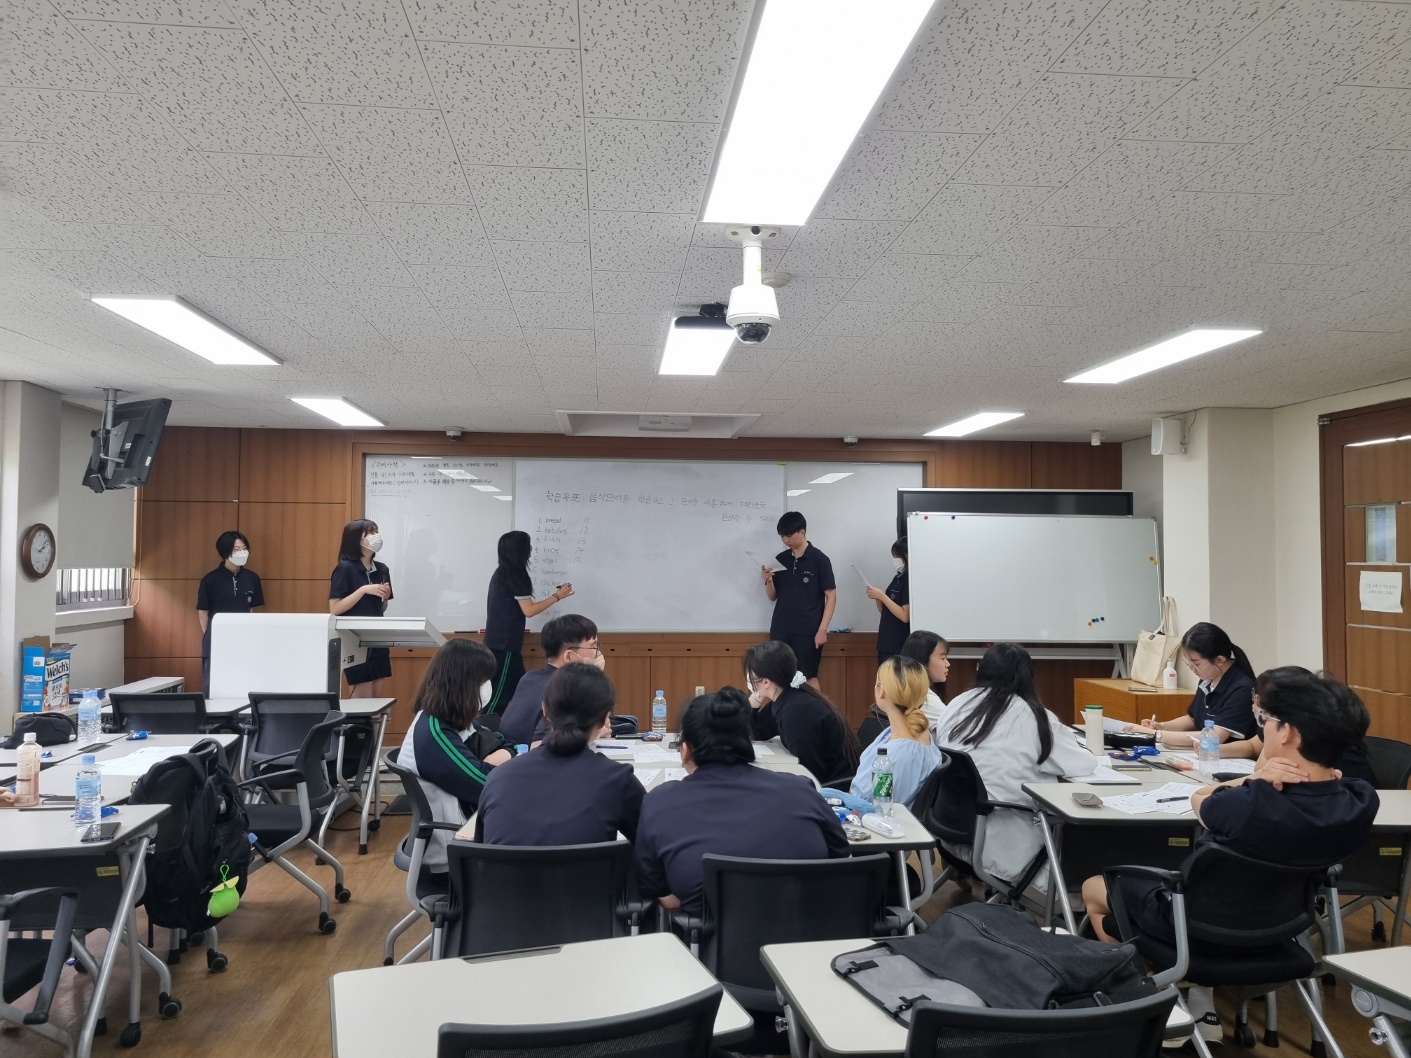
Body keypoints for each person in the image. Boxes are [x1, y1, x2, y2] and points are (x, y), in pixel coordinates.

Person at [1083, 670, 1380, 1041]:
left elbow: (1199, 799)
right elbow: (1336, 785)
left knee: (1094, 888)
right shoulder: (1359, 802)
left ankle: (1148, 999)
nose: (1263, 726)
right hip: (1281, 933)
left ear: (1287, 732)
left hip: (1196, 933)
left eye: (1267, 720)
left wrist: (1255, 778)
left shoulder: (1247, 803)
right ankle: (1185, 995)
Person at [634, 687, 850, 916]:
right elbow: (842, 857)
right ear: (748, 743)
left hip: (712, 936)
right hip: (812, 931)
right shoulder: (801, 789)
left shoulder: (659, 803)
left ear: (685, 750)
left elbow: (665, 897)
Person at [933, 643, 1095, 889]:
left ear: (981, 669)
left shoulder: (957, 704)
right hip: (1004, 839)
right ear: (1027, 677)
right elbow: (1083, 764)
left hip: (950, 832)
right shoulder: (1033, 717)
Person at [476, 663, 643, 845]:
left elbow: (481, 850)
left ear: (545, 711)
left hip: (504, 866)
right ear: (604, 719)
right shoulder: (618, 780)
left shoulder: (497, 778)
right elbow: (652, 843)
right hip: (587, 865)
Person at [397, 639, 513, 877]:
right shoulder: (434, 732)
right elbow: (485, 785)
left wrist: (502, 756)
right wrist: (493, 763)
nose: (488, 686)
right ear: (464, 683)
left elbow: (507, 744)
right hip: (452, 854)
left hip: (470, 829)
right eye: (484, 680)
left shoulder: (457, 720)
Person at [1214, 666, 1377, 784]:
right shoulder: (1277, 724)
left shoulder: (1305, 730)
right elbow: (1253, 746)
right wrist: (1210, 750)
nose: (1255, 703)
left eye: (1261, 699)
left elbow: (1261, 768)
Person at [745, 639, 860, 787]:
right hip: (818, 781)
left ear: (766, 682)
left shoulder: (797, 712)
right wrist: (755, 699)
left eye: (750, 675)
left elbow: (810, 775)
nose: (748, 679)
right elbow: (753, 732)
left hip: (833, 789)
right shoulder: (787, 697)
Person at [484, 530, 573, 715]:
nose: (531, 548)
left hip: (499, 643)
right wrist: (557, 596)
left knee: (523, 690)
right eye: (528, 545)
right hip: (504, 646)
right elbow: (529, 610)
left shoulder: (501, 573)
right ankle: (482, 729)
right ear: (520, 550)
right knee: (499, 697)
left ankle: (522, 726)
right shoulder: (516, 576)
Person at [1131, 622, 1258, 747]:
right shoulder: (1207, 679)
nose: (1192, 669)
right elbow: (1192, 719)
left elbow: (1215, 736)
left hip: (1227, 756)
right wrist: (1161, 726)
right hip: (1204, 753)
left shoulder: (1242, 688)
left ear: (1219, 660)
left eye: (1196, 664)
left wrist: (1156, 735)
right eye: (1189, 663)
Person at [497, 614, 603, 747]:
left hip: (509, 752)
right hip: (529, 755)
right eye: (593, 646)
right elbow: (544, 744)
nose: (598, 653)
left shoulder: (530, 676)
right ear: (569, 656)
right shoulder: (565, 689)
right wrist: (595, 678)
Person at [850, 656, 941, 809]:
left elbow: (866, 802)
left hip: (873, 818)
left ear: (881, 691)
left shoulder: (893, 755)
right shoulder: (922, 735)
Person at [762, 511, 836, 689]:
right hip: (781, 628)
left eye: (789, 535)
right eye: (782, 536)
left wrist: (822, 629)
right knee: (779, 677)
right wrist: (769, 580)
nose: (785, 540)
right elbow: (772, 596)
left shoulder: (820, 560)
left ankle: (815, 708)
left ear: (802, 532)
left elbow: (831, 596)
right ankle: (781, 708)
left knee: (808, 677)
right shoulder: (780, 560)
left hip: (808, 631)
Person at [329, 519, 392, 697]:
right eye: (370, 533)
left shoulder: (382, 569)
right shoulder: (345, 568)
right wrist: (363, 590)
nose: (376, 536)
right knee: (363, 699)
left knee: (377, 699)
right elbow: (335, 608)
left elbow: (381, 608)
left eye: (376, 531)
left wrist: (384, 597)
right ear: (356, 539)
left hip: (377, 639)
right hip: (355, 640)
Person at [196, 530, 264, 696]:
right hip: (215, 642)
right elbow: (203, 614)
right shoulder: (210, 580)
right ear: (225, 552)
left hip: (244, 642)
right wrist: (214, 636)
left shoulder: (252, 578)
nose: (242, 553)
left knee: (243, 687)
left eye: (244, 548)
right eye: (236, 549)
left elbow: (251, 610)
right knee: (213, 690)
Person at [867, 537, 910, 666]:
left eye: (897, 556)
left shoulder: (909, 580)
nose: (895, 560)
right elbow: (885, 611)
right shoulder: (898, 577)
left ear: (907, 555)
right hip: (886, 643)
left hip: (899, 645)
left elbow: (905, 616)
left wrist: (882, 596)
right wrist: (878, 598)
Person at [900, 629, 950, 732]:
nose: (947, 664)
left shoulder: (906, 690)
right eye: (942, 658)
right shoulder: (926, 700)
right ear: (922, 660)